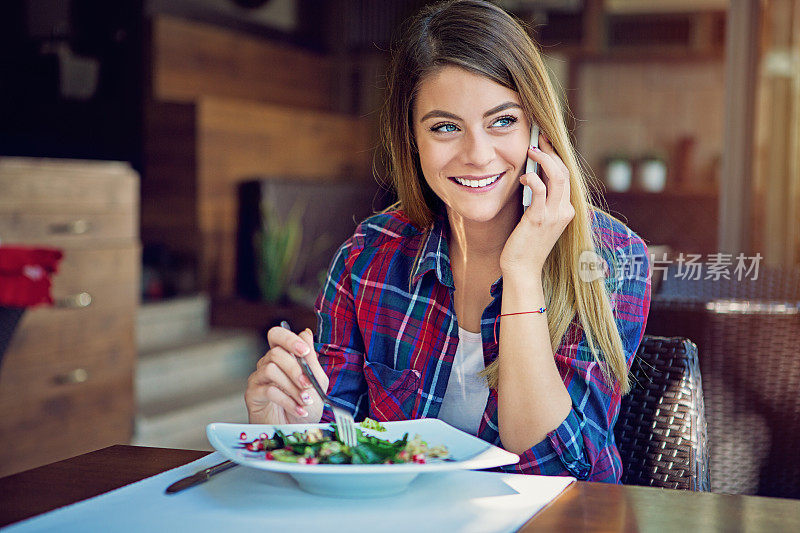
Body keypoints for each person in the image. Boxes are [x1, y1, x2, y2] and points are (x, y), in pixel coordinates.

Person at [245, 0, 650, 482]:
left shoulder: (610, 258)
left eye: (503, 121)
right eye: (445, 127)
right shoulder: (368, 256)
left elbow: (561, 471)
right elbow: (342, 438)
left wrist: (521, 273)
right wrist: (296, 428)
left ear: (538, 129)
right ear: (412, 139)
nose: (478, 154)